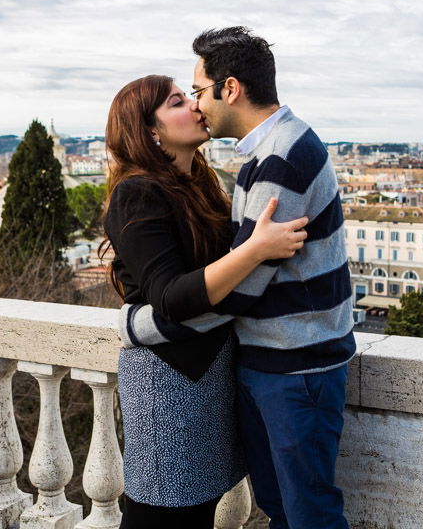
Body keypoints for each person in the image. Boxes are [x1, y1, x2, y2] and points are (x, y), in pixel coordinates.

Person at [123, 28, 354, 528]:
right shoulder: (261, 157)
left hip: (295, 367)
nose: (197, 105)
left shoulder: (280, 158)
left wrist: (137, 327)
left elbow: (242, 292)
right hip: (263, 366)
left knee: (306, 513)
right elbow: (234, 273)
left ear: (230, 89)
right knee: (283, 508)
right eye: (183, 99)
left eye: (198, 91)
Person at [101, 75, 308, 528]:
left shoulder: (199, 184)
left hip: (207, 373)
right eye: (178, 101)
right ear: (150, 131)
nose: (197, 106)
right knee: (161, 514)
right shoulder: (136, 193)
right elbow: (172, 296)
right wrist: (256, 248)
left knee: (195, 514)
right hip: (168, 380)